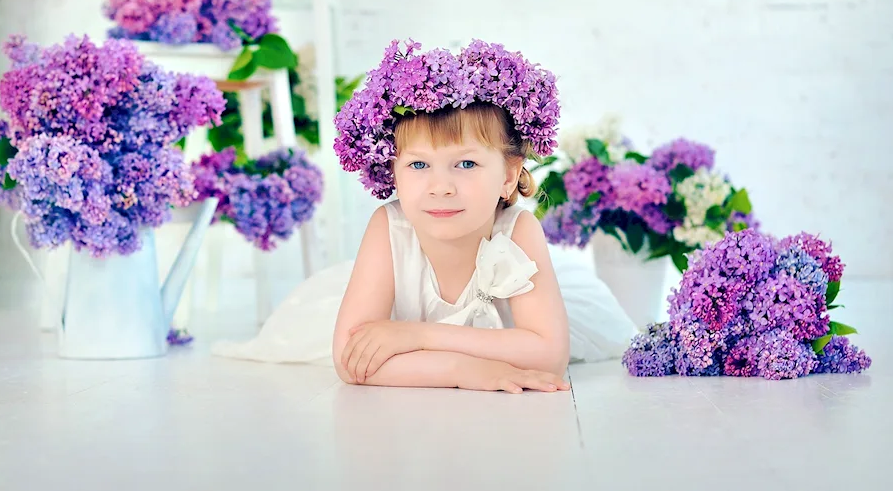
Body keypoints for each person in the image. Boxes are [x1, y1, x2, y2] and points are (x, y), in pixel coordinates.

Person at [211, 39, 638, 392]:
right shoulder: (388, 227)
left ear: (509, 176)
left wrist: (417, 336)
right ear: (392, 169)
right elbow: (350, 361)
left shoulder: (519, 230)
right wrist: (459, 370)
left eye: (466, 165)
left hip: (427, 333)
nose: (441, 186)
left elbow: (548, 355)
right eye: (418, 166)